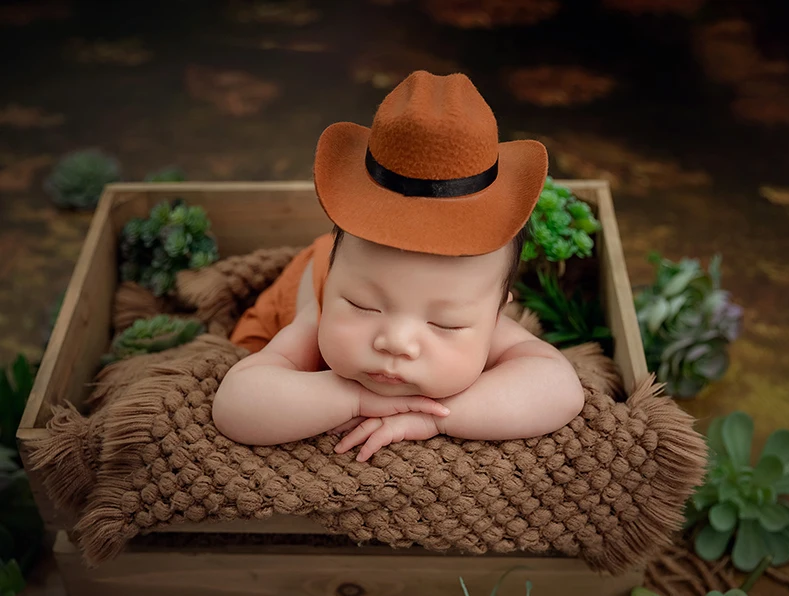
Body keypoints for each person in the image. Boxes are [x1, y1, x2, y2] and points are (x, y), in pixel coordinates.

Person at [212, 71, 585, 462]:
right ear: (331, 286)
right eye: (362, 305)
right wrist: (351, 397)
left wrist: (437, 419)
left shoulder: (479, 315)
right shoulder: (316, 314)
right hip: (299, 286)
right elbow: (236, 406)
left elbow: (560, 389)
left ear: (497, 314)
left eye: (445, 325)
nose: (396, 342)